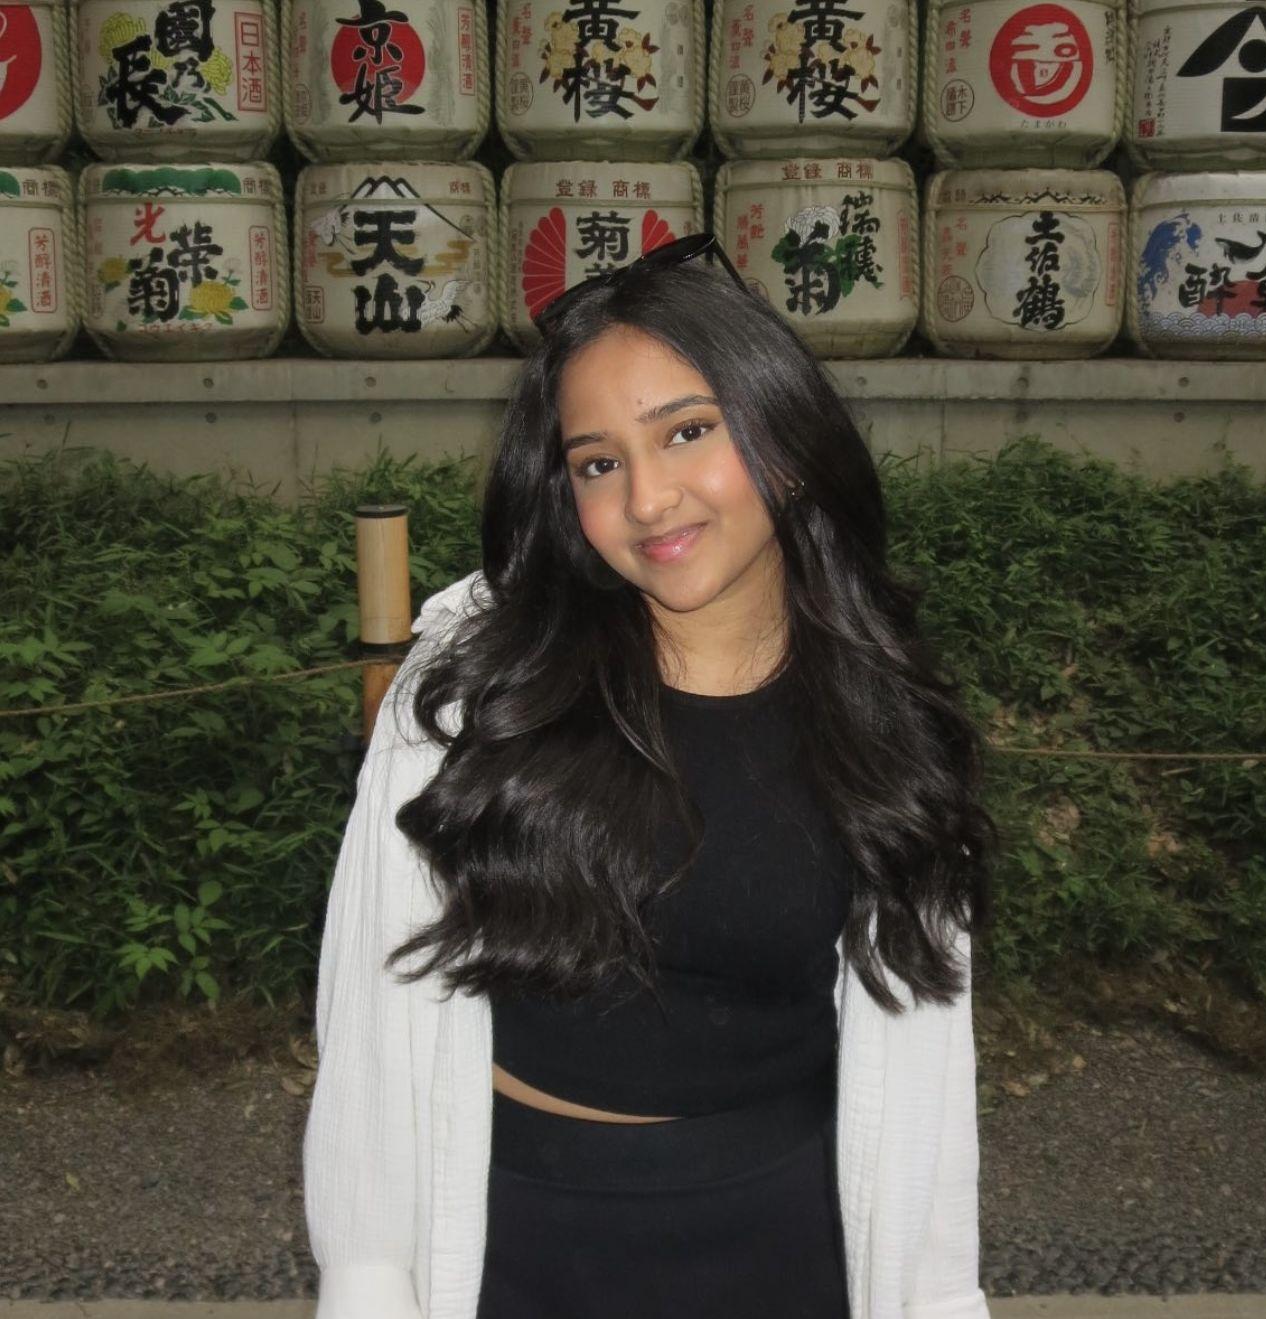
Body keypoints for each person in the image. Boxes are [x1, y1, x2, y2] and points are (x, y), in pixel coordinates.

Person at [302, 235, 998, 1319]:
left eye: (686, 431)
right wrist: (368, 1283)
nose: (648, 498)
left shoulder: (878, 709)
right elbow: (372, 1024)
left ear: (784, 437)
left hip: (785, 1242)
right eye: (597, 462)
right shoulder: (478, 690)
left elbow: (924, 1054)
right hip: (515, 1241)